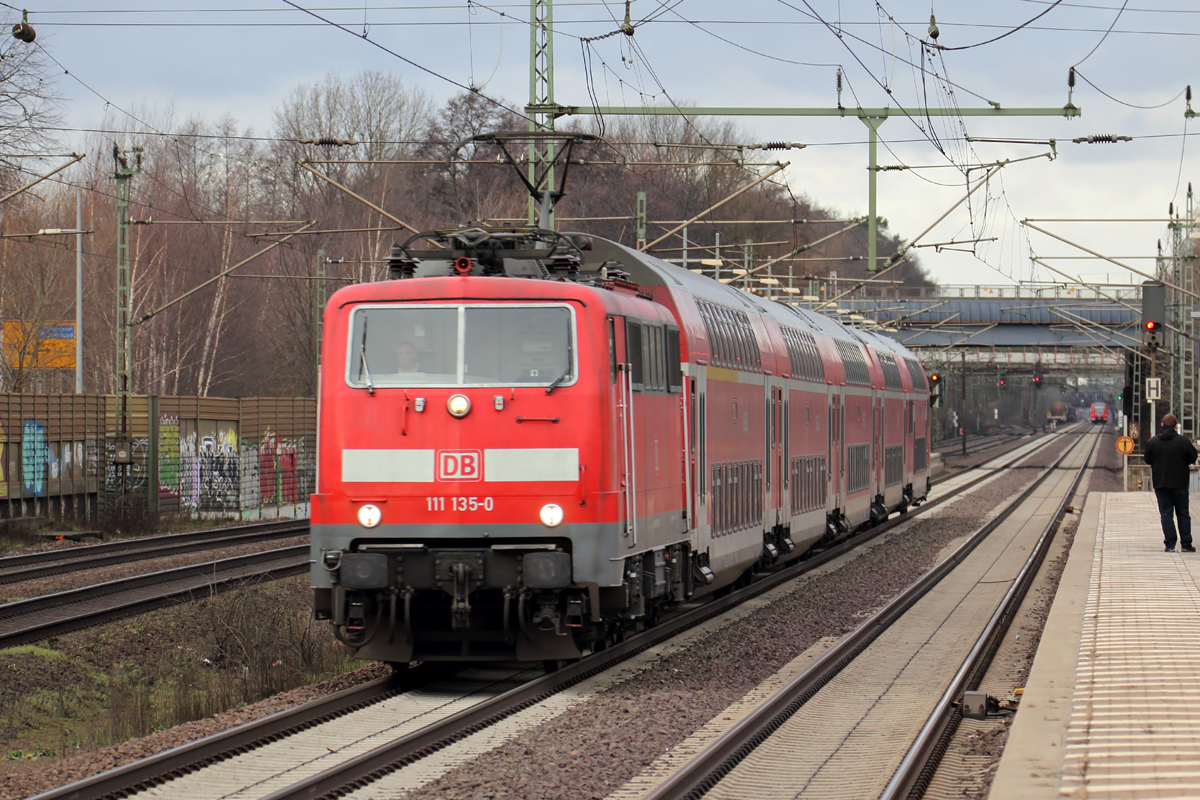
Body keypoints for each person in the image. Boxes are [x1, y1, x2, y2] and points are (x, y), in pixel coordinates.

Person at [1144, 413, 1198, 552]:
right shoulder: (1183, 441)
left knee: (1166, 513)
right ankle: (1186, 544)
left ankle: (1170, 544)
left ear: (1162, 425)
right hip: (1180, 483)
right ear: (1175, 426)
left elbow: (1147, 459)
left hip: (1161, 483)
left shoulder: (1153, 442)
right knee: (1183, 513)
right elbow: (1193, 457)